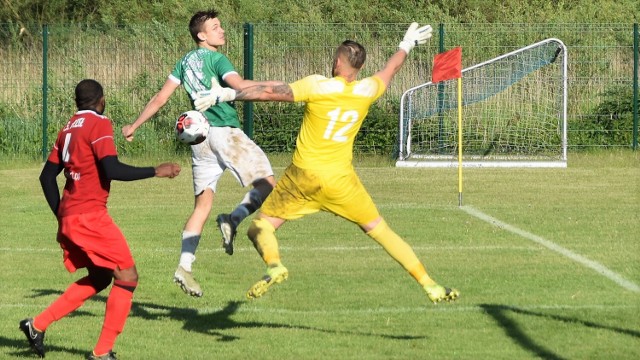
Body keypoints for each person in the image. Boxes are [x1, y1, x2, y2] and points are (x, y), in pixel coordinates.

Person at [194, 23, 460, 304]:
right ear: (359, 67)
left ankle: (274, 265)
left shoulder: (317, 85)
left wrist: (228, 94)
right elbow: (390, 69)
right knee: (382, 232)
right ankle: (429, 284)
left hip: (302, 178)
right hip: (341, 181)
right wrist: (406, 44)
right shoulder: (368, 90)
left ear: (336, 62)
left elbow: (274, 92)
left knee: (260, 227)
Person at [121, 9, 283, 297]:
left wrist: (134, 125)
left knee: (201, 206)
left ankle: (185, 266)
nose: (222, 31)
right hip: (224, 132)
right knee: (268, 183)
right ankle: (233, 218)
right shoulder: (216, 59)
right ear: (202, 35)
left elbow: (161, 98)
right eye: (216, 27)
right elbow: (239, 86)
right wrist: (279, 88)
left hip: (200, 139)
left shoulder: (184, 62)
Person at [20, 79, 181, 360]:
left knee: (101, 276)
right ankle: (102, 352)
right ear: (101, 100)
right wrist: (156, 170)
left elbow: (46, 177)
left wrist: (61, 213)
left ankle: (37, 325)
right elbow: (112, 168)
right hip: (90, 216)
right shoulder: (99, 123)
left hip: (71, 215)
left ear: (77, 101)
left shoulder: (67, 128)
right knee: (128, 277)